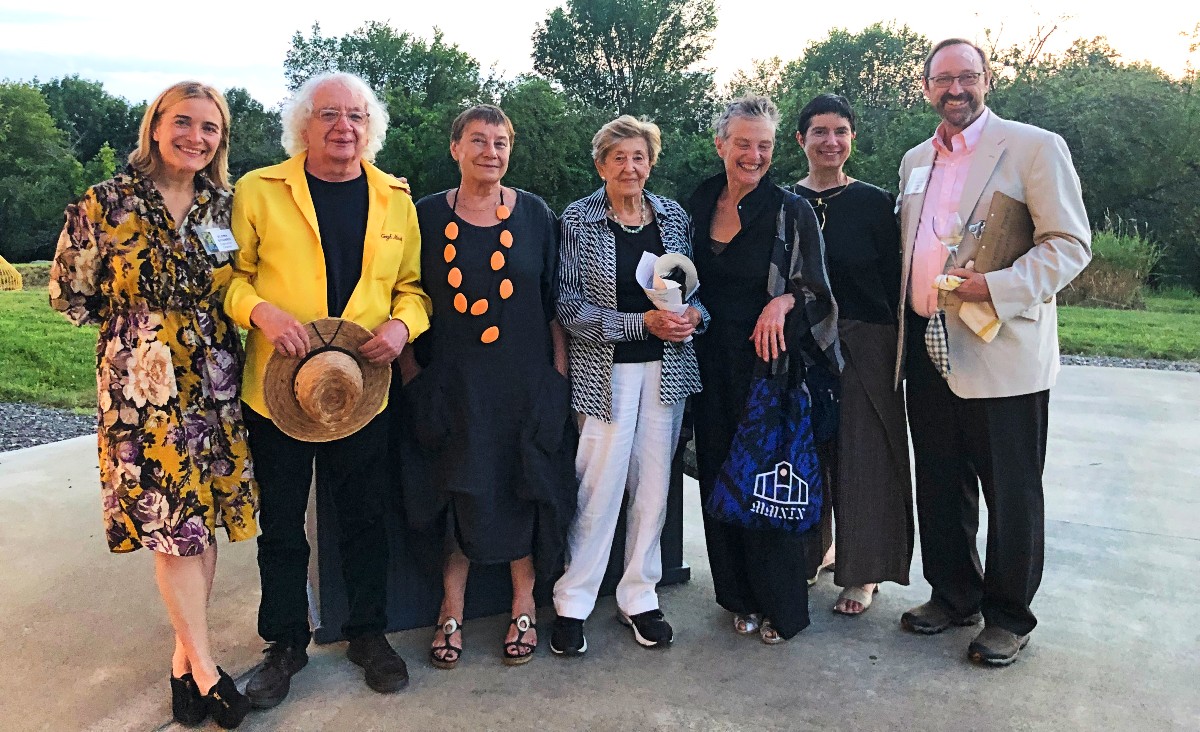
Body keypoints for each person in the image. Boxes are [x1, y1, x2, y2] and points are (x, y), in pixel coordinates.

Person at [49, 81, 256, 728]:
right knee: (173, 527)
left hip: (216, 380)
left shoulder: (227, 205)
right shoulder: (107, 201)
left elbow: (245, 280)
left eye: (211, 128)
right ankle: (204, 669)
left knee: (201, 521)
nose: (197, 137)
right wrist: (136, 331)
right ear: (156, 125)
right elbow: (67, 291)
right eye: (184, 122)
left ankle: (181, 657)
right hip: (144, 391)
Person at [225, 71, 431, 703]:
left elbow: (413, 289)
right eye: (329, 115)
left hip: (362, 390)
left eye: (356, 117)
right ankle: (286, 644)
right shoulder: (258, 190)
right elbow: (228, 277)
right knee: (283, 523)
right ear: (303, 127)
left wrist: (402, 327)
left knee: (365, 517)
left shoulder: (396, 197)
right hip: (279, 391)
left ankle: (367, 633)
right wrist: (261, 312)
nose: (344, 127)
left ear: (371, 128)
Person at [896, 39, 1091, 665]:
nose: (956, 90)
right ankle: (954, 594)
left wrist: (997, 288)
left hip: (1003, 348)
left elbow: (1068, 244)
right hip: (929, 343)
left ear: (987, 80)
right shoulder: (913, 160)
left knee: (1011, 490)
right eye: (943, 79)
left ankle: (1009, 616)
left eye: (968, 77)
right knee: (940, 481)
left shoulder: (1033, 147)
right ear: (925, 87)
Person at [397, 105, 575, 669]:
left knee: (522, 483)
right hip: (452, 383)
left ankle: (525, 603)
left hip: (523, 382)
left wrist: (557, 378)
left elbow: (554, 303)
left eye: (500, 142)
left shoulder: (537, 214)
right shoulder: (422, 216)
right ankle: (451, 607)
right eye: (478, 140)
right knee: (458, 487)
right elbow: (401, 291)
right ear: (455, 149)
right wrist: (412, 376)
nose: (490, 152)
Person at [551, 115, 708, 655]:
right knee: (597, 486)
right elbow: (569, 309)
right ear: (600, 165)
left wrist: (692, 319)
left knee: (654, 485)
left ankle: (639, 596)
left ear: (651, 162)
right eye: (618, 157)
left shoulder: (673, 217)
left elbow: (692, 294)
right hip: (604, 373)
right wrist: (640, 324)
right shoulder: (579, 218)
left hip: (668, 371)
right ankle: (573, 600)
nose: (629, 166)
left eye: (638, 156)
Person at [688, 95, 841, 645]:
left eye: (765, 146)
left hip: (767, 371)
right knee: (719, 481)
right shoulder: (699, 201)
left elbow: (818, 293)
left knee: (768, 487)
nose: (754, 155)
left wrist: (784, 302)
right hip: (706, 366)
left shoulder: (789, 209)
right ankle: (737, 596)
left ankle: (781, 604)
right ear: (720, 145)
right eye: (743, 143)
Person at [792, 94, 913, 616]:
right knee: (805, 454)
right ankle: (809, 552)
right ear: (801, 140)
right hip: (801, 344)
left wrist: (895, 352)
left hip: (867, 340)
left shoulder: (874, 203)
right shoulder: (782, 202)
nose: (830, 141)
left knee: (864, 457)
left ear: (852, 139)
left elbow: (896, 282)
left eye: (840, 131)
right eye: (819, 131)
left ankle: (862, 573)